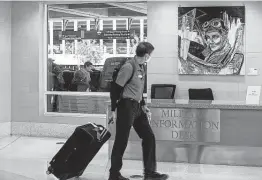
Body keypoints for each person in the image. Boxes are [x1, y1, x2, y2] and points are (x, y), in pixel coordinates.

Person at [109, 42, 169, 180]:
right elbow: (116, 89)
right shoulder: (128, 67)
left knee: (149, 137)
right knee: (121, 141)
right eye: (151, 55)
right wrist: (113, 109)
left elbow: (139, 89)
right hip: (126, 107)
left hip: (137, 108)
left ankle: (150, 173)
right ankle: (114, 175)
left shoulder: (141, 67)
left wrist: (143, 104)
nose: (150, 57)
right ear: (147, 55)